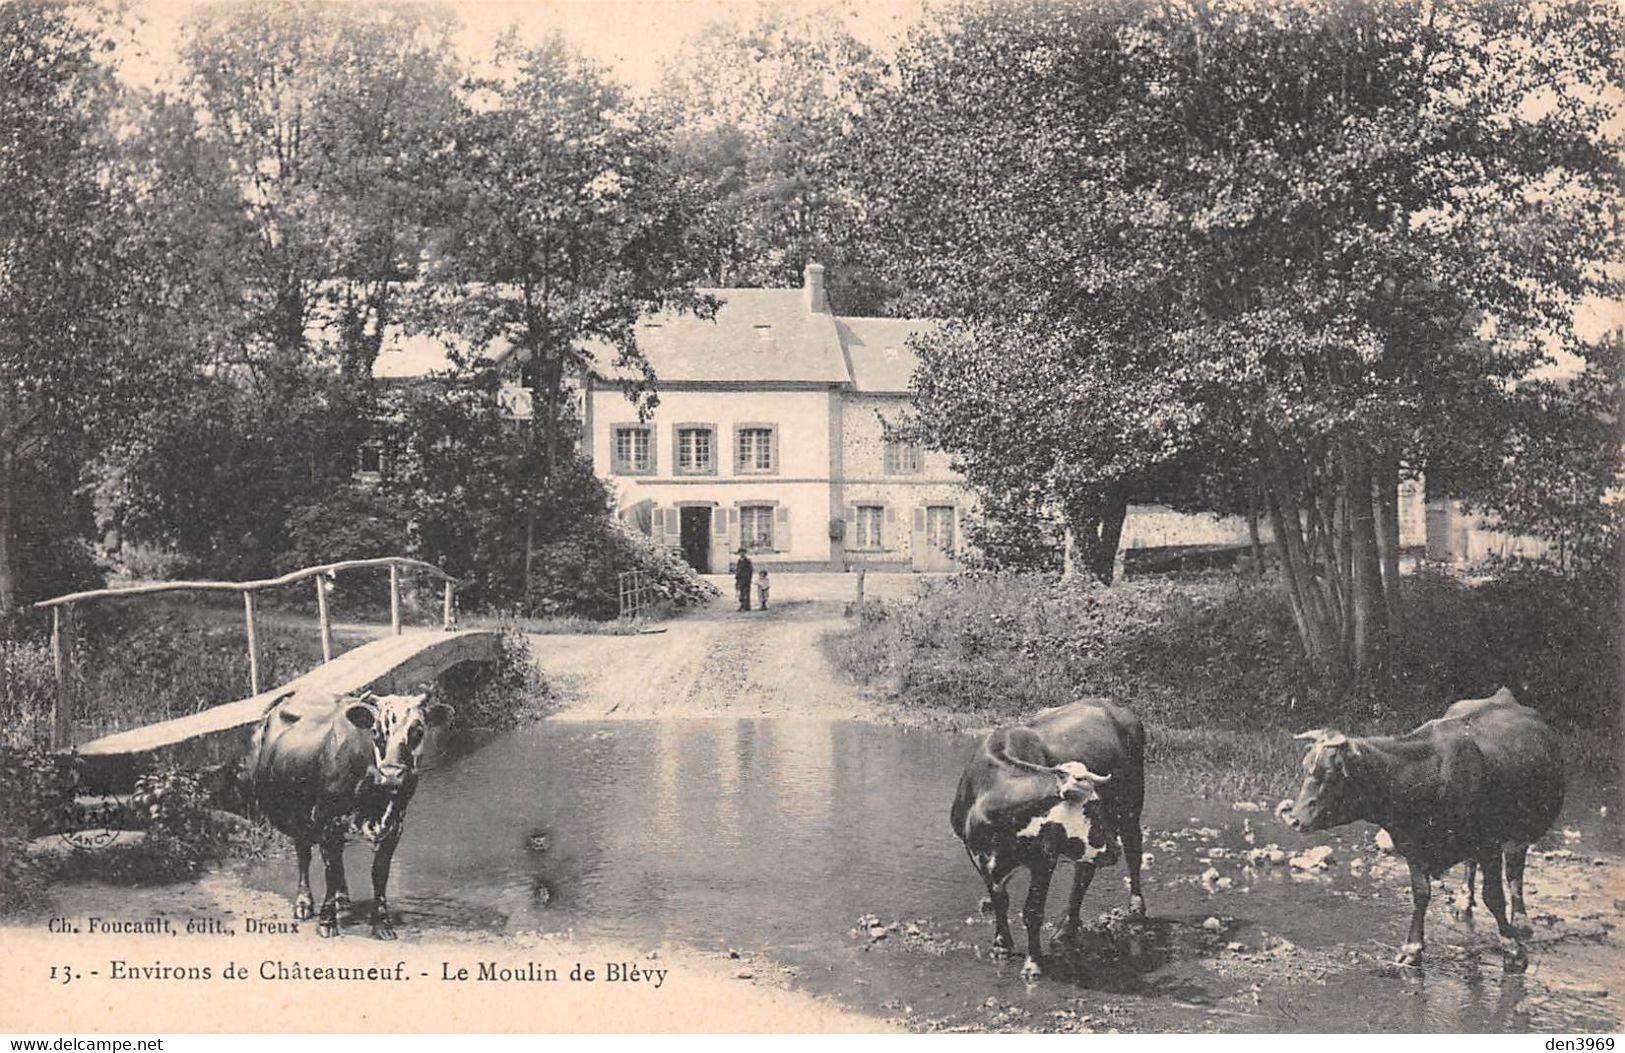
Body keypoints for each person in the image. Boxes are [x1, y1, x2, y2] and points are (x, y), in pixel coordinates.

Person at [733, 547, 754, 611]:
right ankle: (742, 605)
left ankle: (746, 606)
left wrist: (748, 578)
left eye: (743, 552)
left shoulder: (747, 561)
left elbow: (750, 570)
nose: (741, 554)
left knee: (746, 593)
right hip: (740, 579)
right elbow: (738, 569)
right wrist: (737, 576)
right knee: (741, 593)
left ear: (745, 553)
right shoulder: (739, 561)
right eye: (740, 553)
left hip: (746, 579)